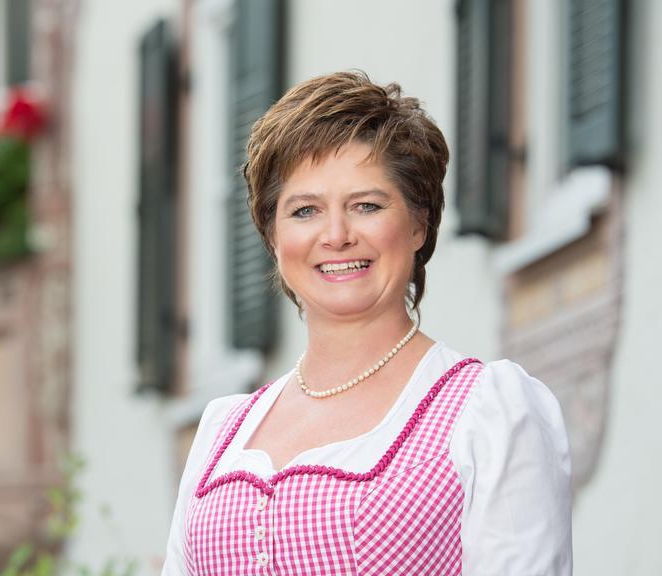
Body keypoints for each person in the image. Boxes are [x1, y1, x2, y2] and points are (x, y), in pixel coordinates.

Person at [161, 71, 572, 575]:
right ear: (272, 235)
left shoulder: (488, 411)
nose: (336, 235)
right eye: (305, 210)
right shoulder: (222, 430)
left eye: (366, 206)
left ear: (419, 223)